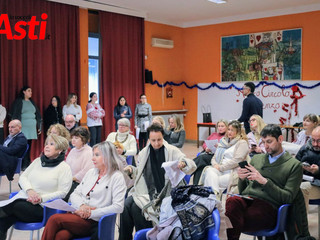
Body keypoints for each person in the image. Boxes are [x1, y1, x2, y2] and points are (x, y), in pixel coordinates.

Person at [119, 124, 196, 240]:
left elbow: (190, 163)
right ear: (149, 139)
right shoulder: (144, 152)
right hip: (147, 189)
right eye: (153, 140)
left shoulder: (172, 150)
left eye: (159, 140)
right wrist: (131, 170)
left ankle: (146, 237)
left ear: (163, 137)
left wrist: (184, 163)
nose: (156, 143)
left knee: (137, 208)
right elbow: (140, 174)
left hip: (165, 193)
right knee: (125, 206)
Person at [225, 124, 302, 240]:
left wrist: (265, 182)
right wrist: (241, 179)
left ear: (280, 139)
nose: (266, 146)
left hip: (270, 206)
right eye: (263, 142)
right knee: (232, 201)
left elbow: (288, 198)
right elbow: (243, 190)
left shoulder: (294, 165)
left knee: (229, 219)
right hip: (249, 199)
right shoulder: (257, 158)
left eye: (269, 142)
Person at [41, 141, 127, 240]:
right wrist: (81, 206)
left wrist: (91, 213)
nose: (93, 158)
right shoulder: (91, 173)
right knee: (61, 236)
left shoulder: (117, 177)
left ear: (108, 156)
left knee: (54, 219)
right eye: (93, 155)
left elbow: (118, 207)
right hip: (78, 216)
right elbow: (75, 194)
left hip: (95, 221)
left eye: (97, 155)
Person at [0, 134, 72, 240]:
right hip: (25, 200)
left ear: (60, 150)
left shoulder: (64, 168)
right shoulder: (38, 161)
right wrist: (30, 190)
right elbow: (23, 177)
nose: (47, 146)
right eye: (46, 143)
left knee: (16, 205)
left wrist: (40, 198)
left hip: (44, 208)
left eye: (51, 144)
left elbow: (63, 192)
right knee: (2, 222)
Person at [201, 120, 250, 195]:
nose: (229, 132)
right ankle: (215, 199)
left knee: (211, 180)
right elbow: (214, 157)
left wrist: (221, 167)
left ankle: (213, 200)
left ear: (238, 131)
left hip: (232, 172)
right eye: (228, 129)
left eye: (232, 130)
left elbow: (237, 160)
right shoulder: (223, 141)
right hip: (219, 169)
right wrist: (215, 165)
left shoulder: (242, 143)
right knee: (209, 171)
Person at [10, 86, 42, 170]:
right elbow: (14, 114)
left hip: (31, 128)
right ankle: (22, 164)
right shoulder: (19, 102)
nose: (31, 92)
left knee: (29, 145)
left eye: (31, 91)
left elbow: (37, 115)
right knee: (23, 146)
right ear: (24, 92)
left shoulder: (32, 102)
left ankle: (27, 163)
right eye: (29, 91)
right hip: (23, 127)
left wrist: (39, 126)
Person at [192, 119, 228, 185]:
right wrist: (206, 148)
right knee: (200, 167)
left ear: (227, 127)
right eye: (219, 126)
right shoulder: (213, 134)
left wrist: (219, 147)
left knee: (201, 158)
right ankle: (196, 186)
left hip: (215, 156)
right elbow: (204, 143)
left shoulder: (227, 137)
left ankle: (188, 167)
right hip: (208, 152)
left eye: (222, 126)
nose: (220, 128)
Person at [64, 127, 94, 201]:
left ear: (83, 139)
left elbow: (86, 172)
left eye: (76, 138)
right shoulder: (73, 151)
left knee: (63, 194)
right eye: (72, 137)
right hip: (69, 181)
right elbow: (66, 166)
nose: (73, 140)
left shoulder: (89, 152)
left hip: (80, 184)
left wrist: (72, 178)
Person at [297, 126, 320, 210]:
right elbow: (295, 163)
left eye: (319, 141)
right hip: (305, 179)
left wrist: (318, 170)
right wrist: (301, 167)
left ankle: (301, 222)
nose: (315, 144)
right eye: (313, 140)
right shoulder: (305, 148)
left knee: (302, 188)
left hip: (318, 184)